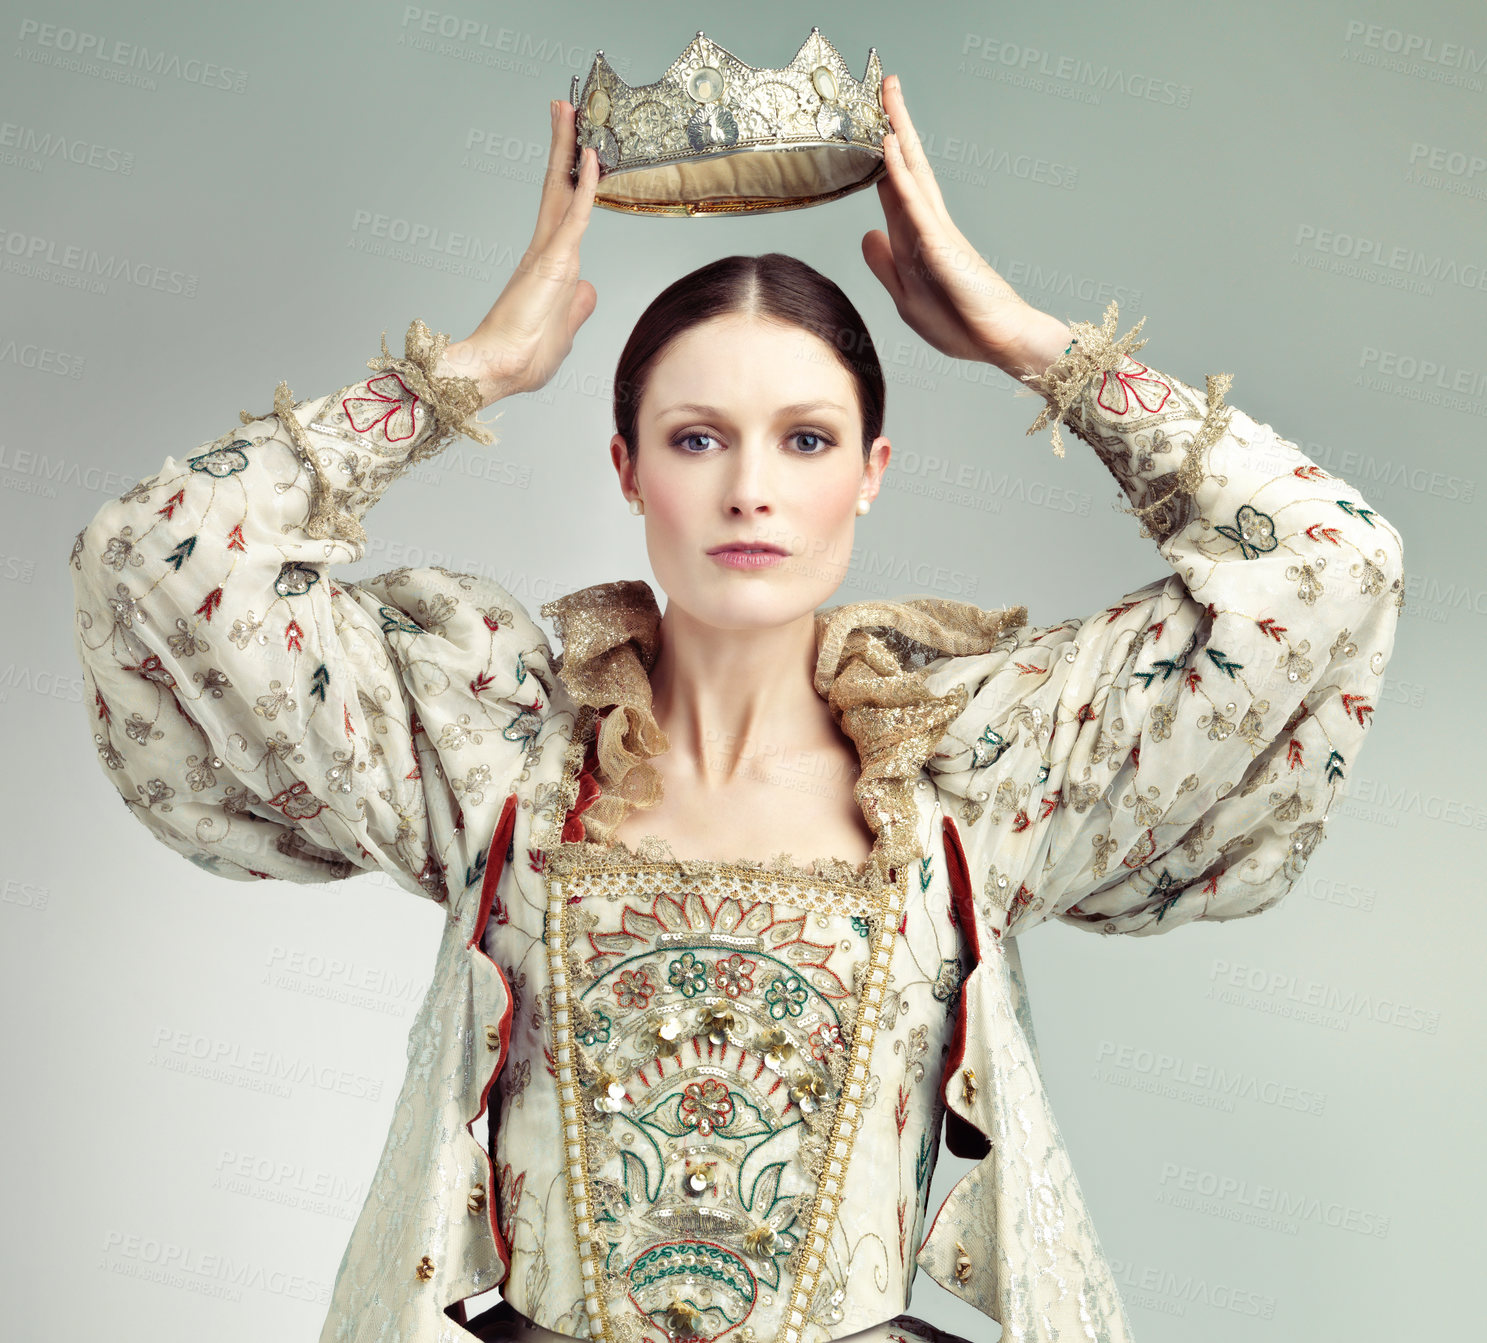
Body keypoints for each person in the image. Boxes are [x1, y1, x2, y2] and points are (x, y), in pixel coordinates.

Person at [66, 75, 1404, 1343]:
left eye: (806, 440)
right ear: (629, 468)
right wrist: (457, 378)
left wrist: (1023, 337)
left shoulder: (970, 785)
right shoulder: (498, 760)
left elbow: (1333, 564)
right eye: (698, 438)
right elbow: (153, 555)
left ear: (873, 472)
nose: (750, 492)